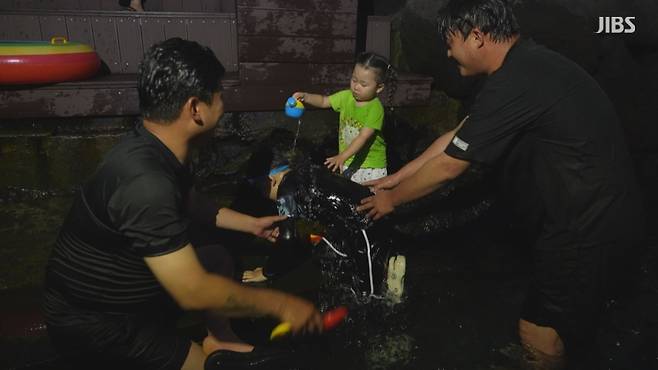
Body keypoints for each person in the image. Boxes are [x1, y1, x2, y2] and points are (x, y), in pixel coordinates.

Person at [357, 0, 645, 368]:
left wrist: (390, 201)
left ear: (476, 37)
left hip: (587, 224)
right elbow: (456, 137)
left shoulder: (516, 80)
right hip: (599, 212)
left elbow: (449, 166)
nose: (447, 52)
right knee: (575, 324)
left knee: (536, 331)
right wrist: (397, 177)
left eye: (450, 42)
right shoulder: (527, 67)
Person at [42, 38, 322, 370]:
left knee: (217, 257)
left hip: (127, 291)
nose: (224, 104)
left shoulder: (151, 144)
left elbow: (191, 201)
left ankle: (221, 336)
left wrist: (251, 224)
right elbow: (194, 291)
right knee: (208, 366)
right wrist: (282, 305)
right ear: (195, 108)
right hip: (101, 323)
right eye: (219, 95)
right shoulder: (146, 185)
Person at [240, 129, 406, 304]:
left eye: (259, 187)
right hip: (368, 219)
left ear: (271, 180)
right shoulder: (308, 173)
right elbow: (311, 228)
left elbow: (288, 240)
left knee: (367, 296)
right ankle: (389, 271)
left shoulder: (286, 191)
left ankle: (385, 300)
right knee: (342, 255)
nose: (261, 194)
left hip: (364, 228)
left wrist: (268, 272)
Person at [292, 52, 396, 184]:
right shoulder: (346, 97)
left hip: (371, 167)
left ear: (379, 88)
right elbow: (324, 101)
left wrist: (342, 156)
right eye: (354, 80)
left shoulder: (375, 108)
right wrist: (306, 97)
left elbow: (363, 137)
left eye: (363, 84)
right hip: (348, 161)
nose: (356, 87)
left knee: (368, 200)